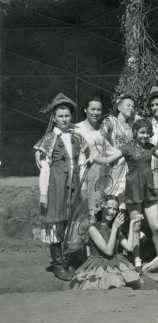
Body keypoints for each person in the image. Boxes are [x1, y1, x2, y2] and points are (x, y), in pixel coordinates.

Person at [93, 119, 158, 268]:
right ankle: (137, 259)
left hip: (148, 190)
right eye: (141, 132)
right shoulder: (127, 148)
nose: (144, 135)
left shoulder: (151, 148)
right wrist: (93, 158)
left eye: (147, 132)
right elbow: (109, 159)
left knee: (157, 227)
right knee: (136, 226)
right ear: (135, 132)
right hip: (134, 190)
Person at [34, 93, 90, 281]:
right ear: (54, 118)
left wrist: (82, 187)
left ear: (71, 117)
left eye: (67, 116)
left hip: (74, 188)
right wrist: (43, 193)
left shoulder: (77, 137)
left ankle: (69, 261)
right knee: (56, 224)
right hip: (56, 188)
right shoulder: (50, 139)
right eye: (60, 116)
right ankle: (59, 265)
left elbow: (82, 164)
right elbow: (45, 168)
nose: (64, 119)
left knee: (71, 224)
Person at [70, 196, 142, 289]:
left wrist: (132, 224)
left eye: (115, 209)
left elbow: (129, 247)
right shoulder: (93, 228)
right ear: (102, 208)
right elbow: (108, 251)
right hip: (97, 266)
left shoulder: (114, 227)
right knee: (109, 285)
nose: (111, 212)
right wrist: (115, 228)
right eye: (109, 208)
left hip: (115, 263)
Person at [100, 94, 136, 201]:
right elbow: (101, 142)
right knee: (112, 196)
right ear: (119, 107)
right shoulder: (110, 121)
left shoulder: (131, 127)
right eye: (128, 105)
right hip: (113, 165)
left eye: (133, 106)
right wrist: (115, 155)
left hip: (128, 167)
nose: (131, 108)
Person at [74, 96, 105, 216]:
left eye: (99, 110)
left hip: (102, 174)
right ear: (85, 110)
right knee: (85, 209)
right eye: (92, 109)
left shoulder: (102, 129)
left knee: (99, 209)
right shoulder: (76, 128)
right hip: (85, 175)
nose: (96, 113)